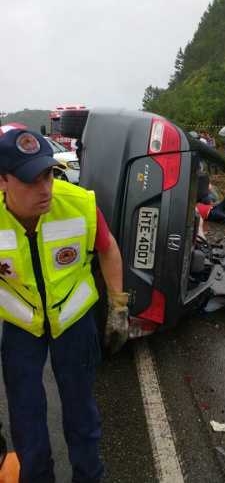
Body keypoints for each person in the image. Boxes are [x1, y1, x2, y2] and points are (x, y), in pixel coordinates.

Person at [0, 128, 129, 483]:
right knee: (25, 413)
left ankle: (88, 476)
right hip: (22, 325)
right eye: (30, 180)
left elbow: (108, 247)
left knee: (79, 407)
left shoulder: (78, 204)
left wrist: (118, 306)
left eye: (48, 175)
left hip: (73, 320)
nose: (45, 189)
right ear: (2, 182)